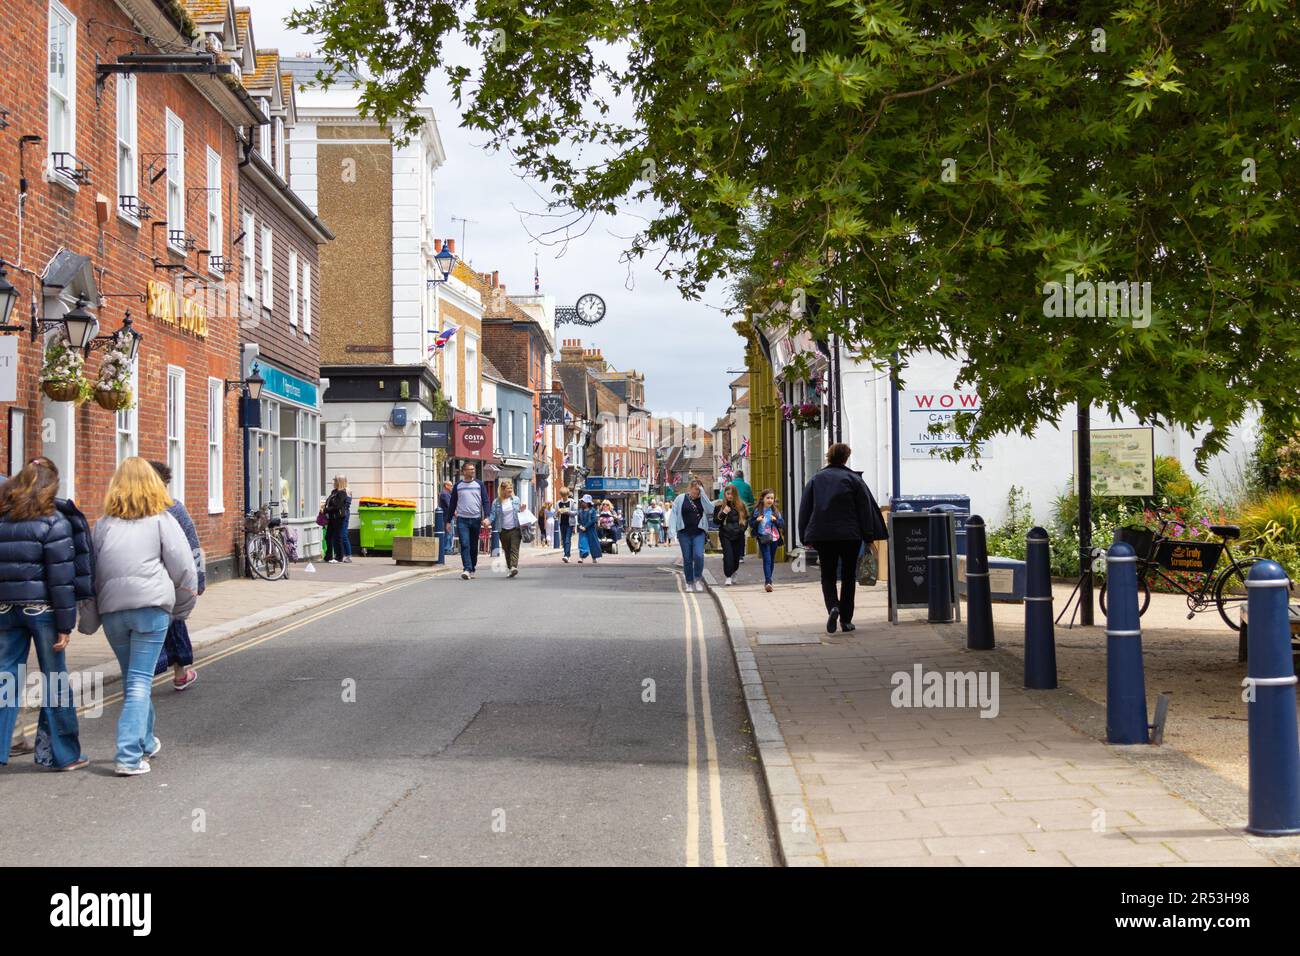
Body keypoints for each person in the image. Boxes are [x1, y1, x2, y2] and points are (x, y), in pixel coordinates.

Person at [79, 457, 197, 776]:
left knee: (135, 678)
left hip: (113, 611)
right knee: (139, 682)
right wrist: (182, 609)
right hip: (151, 608)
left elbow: (89, 574)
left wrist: (88, 618)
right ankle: (128, 756)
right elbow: (184, 569)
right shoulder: (161, 519)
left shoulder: (102, 525)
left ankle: (145, 741)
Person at [0, 460, 87, 771]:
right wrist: (66, 625)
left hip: (5, 611)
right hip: (44, 612)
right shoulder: (55, 522)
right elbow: (60, 580)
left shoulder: (3, 519)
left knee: (5, 678)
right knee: (54, 681)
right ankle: (63, 755)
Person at [797, 443, 888, 634]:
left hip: (822, 535)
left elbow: (805, 508)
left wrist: (804, 535)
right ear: (846, 458)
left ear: (828, 456)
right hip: (850, 535)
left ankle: (833, 607)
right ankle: (846, 620)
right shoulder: (854, 479)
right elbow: (864, 509)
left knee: (827, 575)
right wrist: (869, 536)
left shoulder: (816, 479)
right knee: (848, 576)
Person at [149, 461, 203, 691]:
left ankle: (150, 673)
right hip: (171, 581)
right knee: (174, 621)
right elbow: (193, 547)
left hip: (144, 584)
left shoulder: (129, 512)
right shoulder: (174, 509)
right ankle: (178, 672)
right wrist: (199, 579)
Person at [670, 478, 713, 592]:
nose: (695, 494)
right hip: (684, 533)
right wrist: (672, 532)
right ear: (690, 489)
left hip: (699, 533)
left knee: (698, 555)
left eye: (698, 492)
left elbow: (710, 510)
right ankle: (689, 582)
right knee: (687, 558)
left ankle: (697, 579)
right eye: (694, 491)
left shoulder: (702, 500)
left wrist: (703, 494)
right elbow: (674, 515)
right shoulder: (680, 499)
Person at [449, 462, 490, 579]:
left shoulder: (479, 484)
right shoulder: (458, 485)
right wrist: (448, 520)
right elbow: (452, 504)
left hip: (476, 519)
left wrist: (487, 516)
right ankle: (466, 568)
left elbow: (485, 501)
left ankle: (472, 567)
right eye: (470, 469)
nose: (472, 471)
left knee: (473, 546)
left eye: (473, 469)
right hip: (462, 519)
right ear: (464, 471)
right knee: (465, 544)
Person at [750, 489, 785, 592]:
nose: (770, 500)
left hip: (774, 538)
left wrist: (776, 520)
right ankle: (768, 582)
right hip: (763, 538)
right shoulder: (757, 511)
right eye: (768, 498)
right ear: (762, 499)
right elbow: (751, 524)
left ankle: (769, 580)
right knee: (767, 559)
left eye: (772, 498)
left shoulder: (775, 511)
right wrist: (757, 520)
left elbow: (782, 525)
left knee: (771, 560)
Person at [715, 483, 748, 585]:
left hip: (738, 535)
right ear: (725, 494)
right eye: (728, 493)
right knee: (728, 556)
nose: (730, 496)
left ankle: (734, 571)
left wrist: (741, 530)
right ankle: (728, 576)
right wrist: (724, 512)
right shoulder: (719, 506)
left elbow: (746, 520)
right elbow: (716, 521)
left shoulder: (741, 505)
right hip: (725, 535)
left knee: (735, 557)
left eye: (732, 494)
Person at [489, 480, 524, 577]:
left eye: (511, 489)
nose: (511, 491)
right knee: (507, 550)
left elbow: (519, 513)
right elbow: (493, 515)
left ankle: (513, 567)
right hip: (503, 529)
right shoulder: (496, 502)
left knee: (514, 548)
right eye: (509, 489)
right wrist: (488, 520)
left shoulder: (516, 499)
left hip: (515, 528)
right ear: (503, 490)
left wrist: (522, 510)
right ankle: (510, 568)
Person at [324, 476, 349, 564]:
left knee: (338, 537)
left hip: (338, 518)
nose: (333, 482)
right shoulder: (334, 492)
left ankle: (339, 557)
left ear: (339, 482)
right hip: (331, 518)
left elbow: (337, 506)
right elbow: (329, 502)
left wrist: (326, 509)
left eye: (335, 480)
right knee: (328, 537)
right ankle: (329, 555)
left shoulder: (342, 493)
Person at [576, 494, 600, 564]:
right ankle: (581, 557)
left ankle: (594, 558)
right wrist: (580, 526)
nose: (582, 503)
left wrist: (585, 527)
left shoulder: (592, 510)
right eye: (582, 501)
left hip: (591, 530)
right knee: (582, 543)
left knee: (593, 544)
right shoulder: (580, 511)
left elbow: (593, 520)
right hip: (582, 530)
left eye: (584, 501)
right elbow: (579, 520)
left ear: (588, 503)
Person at [556, 487, 575, 563]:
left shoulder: (572, 502)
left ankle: (566, 556)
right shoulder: (558, 503)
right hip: (562, 523)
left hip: (570, 524)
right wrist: (558, 513)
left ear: (567, 494)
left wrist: (569, 512)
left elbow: (576, 512)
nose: (564, 497)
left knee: (567, 539)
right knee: (564, 540)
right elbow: (555, 515)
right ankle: (567, 554)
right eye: (562, 495)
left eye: (565, 495)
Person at [438, 480, 454, 565]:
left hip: (448, 516)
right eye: (450, 485)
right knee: (449, 533)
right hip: (447, 517)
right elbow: (449, 505)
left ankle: (448, 549)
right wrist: (455, 513)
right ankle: (446, 549)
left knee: (449, 533)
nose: (452, 487)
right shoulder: (445, 494)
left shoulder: (447, 494)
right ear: (446, 486)